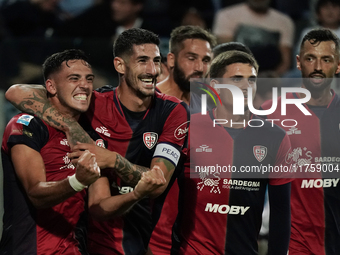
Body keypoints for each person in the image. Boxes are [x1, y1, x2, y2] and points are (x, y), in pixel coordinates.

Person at [5, 28, 189, 255]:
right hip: (62, 245)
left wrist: (112, 160)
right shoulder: (90, 108)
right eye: (142, 61)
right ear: (120, 65)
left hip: (138, 238)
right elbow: (15, 92)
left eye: (156, 61)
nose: (153, 70)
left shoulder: (172, 111)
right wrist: (70, 125)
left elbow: (157, 182)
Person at [173, 50, 292, 254]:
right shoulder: (189, 128)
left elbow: (281, 212)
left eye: (251, 80)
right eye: (237, 79)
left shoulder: (276, 137)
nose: (246, 86)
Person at [0, 49, 101, 254]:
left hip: (75, 247)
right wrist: (78, 180)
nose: (84, 85)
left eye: (89, 79)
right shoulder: (26, 125)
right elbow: (36, 193)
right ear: (51, 86)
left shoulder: (90, 130)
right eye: (74, 78)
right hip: (30, 248)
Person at [262, 28, 340, 255]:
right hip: (294, 244)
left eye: (326, 60)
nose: (317, 68)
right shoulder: (271, 112)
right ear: (298, 62)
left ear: (338, 65)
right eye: (310, 58)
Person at [149, 25, 216, 255]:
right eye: (191, 58)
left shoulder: (216, 107)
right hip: (150, 228)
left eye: (206, 60)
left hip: (197, 234)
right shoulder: (148, 102)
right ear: (171, 59)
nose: (199, 68)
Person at [212, 0, 295, 75]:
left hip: (271, 78)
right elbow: (225, 55)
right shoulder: (226, 15)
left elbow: (285, 62)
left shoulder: (284, 21)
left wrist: (272, 78)